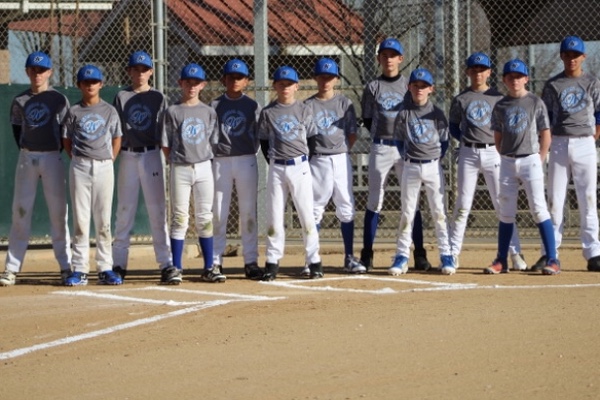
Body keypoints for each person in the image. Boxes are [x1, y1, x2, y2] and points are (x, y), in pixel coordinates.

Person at [448, 52, 527, 271]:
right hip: (469, 152)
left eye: (482, 70)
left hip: (494, 151)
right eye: (474, 70)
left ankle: (515, 253)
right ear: (467, 72)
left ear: (489, 72)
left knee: (502, 203)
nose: (478, 73)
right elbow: (453, 126)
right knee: (463, 205)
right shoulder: (461, 99)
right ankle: (452, 253)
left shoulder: (499, 98)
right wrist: (465, 140)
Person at [0, 51, 72, 286]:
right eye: (33, 70)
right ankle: (11, 268)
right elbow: (17, 130)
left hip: (52, 156)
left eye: (42, 70)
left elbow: (65, 131)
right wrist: (29, 149)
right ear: (27, 71)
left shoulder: (59, 99)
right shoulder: (20, 100)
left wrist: (52, 151)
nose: (37, 74)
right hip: (27, 157)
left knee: (58, 213)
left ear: (49, 72)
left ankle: (66, 266)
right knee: (20, 212)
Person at [360, 38, 431, 272]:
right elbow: (368, 119)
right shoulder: (373, 87)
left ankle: (419, 253)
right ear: (379, 58)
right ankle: (367, 255)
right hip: (381, 146)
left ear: (400, 58)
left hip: (405, 148)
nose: (388, 59)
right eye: (384, 55)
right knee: (374, 200)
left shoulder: (409, 85)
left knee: (411, 200)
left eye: (393, 55)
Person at [485, 59, 560, 275]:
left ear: (526, 79)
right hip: (508, 161)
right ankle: (501, 259)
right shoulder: (501, 105)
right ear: (504, 80)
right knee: (506, 211)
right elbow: (497, 136)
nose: (515, 80)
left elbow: (545, 133)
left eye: (519, 76)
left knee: (538, 208)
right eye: (510, 77)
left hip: (530, 159)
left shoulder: (535, 102)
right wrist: (505, 155)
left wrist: (540, 157)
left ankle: (553, 258)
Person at [535, 35, 600, 273]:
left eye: (576, 55)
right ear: (561, 56)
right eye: (567, 54)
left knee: (588, 198)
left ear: (584, 57)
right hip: (560, 142)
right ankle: (550, 253)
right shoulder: (553, 84)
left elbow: (599, 112)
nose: (571, 59)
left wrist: (593, 137)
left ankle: (593, 253)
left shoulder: (592, 82)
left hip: (585, 142)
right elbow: (546, 118)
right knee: (555, 199)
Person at [111, 51, 175, 283]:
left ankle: (166, 264)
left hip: (152, 154)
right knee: (124, 211)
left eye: (144, 69)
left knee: (157, 211)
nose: (140, 73)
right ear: (129, 71)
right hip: (128, 155)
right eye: (135, 69)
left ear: (151, 72)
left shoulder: (159, 97)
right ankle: (119, 264)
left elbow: (166, 130)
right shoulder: (122, 96)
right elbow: (115, 130)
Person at [161, 63, 225, 283]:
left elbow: (213, 141)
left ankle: (209, 267)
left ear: (203, 85)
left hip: (204, 166)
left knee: (205, 217)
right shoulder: (173, 111)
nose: (192, 86)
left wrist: (202, 159)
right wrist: (176, 160)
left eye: (196, 82)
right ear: (180, 83)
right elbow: (166, 143)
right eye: (188, 82)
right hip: (180, 167)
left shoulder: (208, 111)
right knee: (179, 217)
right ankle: (176, 267)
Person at [258, 65, 322, 280]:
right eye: (281, 83)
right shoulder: (268, 112)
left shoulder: (304, 109)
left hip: (300, 166)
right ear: (275, 86)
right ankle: (272, 261)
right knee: (274, 215)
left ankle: (314, 261)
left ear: (296, 86)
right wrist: (275, 161)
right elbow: (264, 142)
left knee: (306, 214)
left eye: (289, 84)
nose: (285, 87)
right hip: (277, 167)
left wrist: (302, 162)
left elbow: (312, 139)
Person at [304, 57, 366, 274]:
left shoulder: (344, 103)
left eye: (330, 77)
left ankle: (349, 257)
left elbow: (352, 134)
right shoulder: (308, 105)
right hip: (317, 159)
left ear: (336, 79)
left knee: (346, 206)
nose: (326, 81)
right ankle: (311, 259)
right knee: (314, 209)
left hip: (340, 158)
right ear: (315, 78)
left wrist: (341, 150)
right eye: (322, 77)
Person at [62, 64, 123, 286]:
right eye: (86, 82)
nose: (90, 85)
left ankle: (105, 267)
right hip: (80, 165)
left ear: (101, 84)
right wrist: (78, 158)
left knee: (103, 219)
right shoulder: (74, 111)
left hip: (104, 165)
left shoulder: (109, 111)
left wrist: (109, 159)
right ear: (79, 85)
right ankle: (79, 268)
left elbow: (117, 138)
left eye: (94, 81)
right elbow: (67, 140)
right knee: (80, 219)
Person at [391, 68, 455, 275]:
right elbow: (399, 140)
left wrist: (434, 157)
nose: (419, 89)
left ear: (431, 89)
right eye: (416, 85)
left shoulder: (436, 113)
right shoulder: (404, 113)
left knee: (438, 212)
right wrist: (408, 157)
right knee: (407, 212)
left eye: (424, 86)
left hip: (433, 166)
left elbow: (444, 141)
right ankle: (401, 256)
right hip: (411, 166)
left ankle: (446, 255)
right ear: (409, 87)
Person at [210, 59, 263, 280]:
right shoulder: (214, 105)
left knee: (248, 212)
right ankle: (215, 262)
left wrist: (251, 153)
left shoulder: (252, 106)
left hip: (246, 159)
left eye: (239, 77)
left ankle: (250, 261)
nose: (234, 81)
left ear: (246, 81)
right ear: (224, 79)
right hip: (220, 160)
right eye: (231, 77)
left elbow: (259, 134)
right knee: (218, 212)